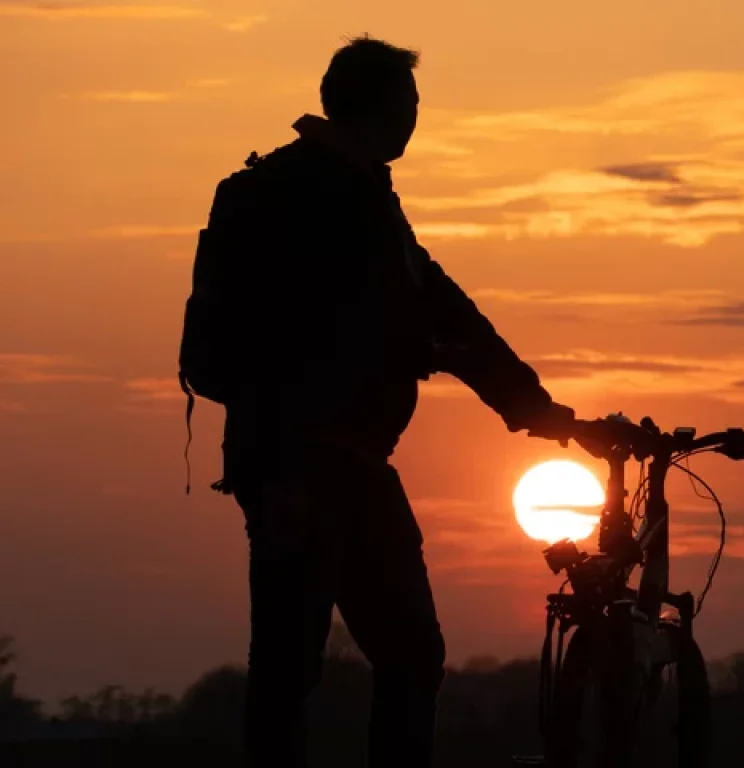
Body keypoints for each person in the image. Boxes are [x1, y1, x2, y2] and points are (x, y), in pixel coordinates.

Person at [183, 36, 574, 767]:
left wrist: (533, 407)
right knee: (292, 666)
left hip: (353, 465)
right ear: (386, 106)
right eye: (413, 104)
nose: (417, 119)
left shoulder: (365, 196)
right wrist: (280, 476)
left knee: (407, 655)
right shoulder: (299, 194)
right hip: (297, 466)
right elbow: (283, 339)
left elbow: (444, 308)